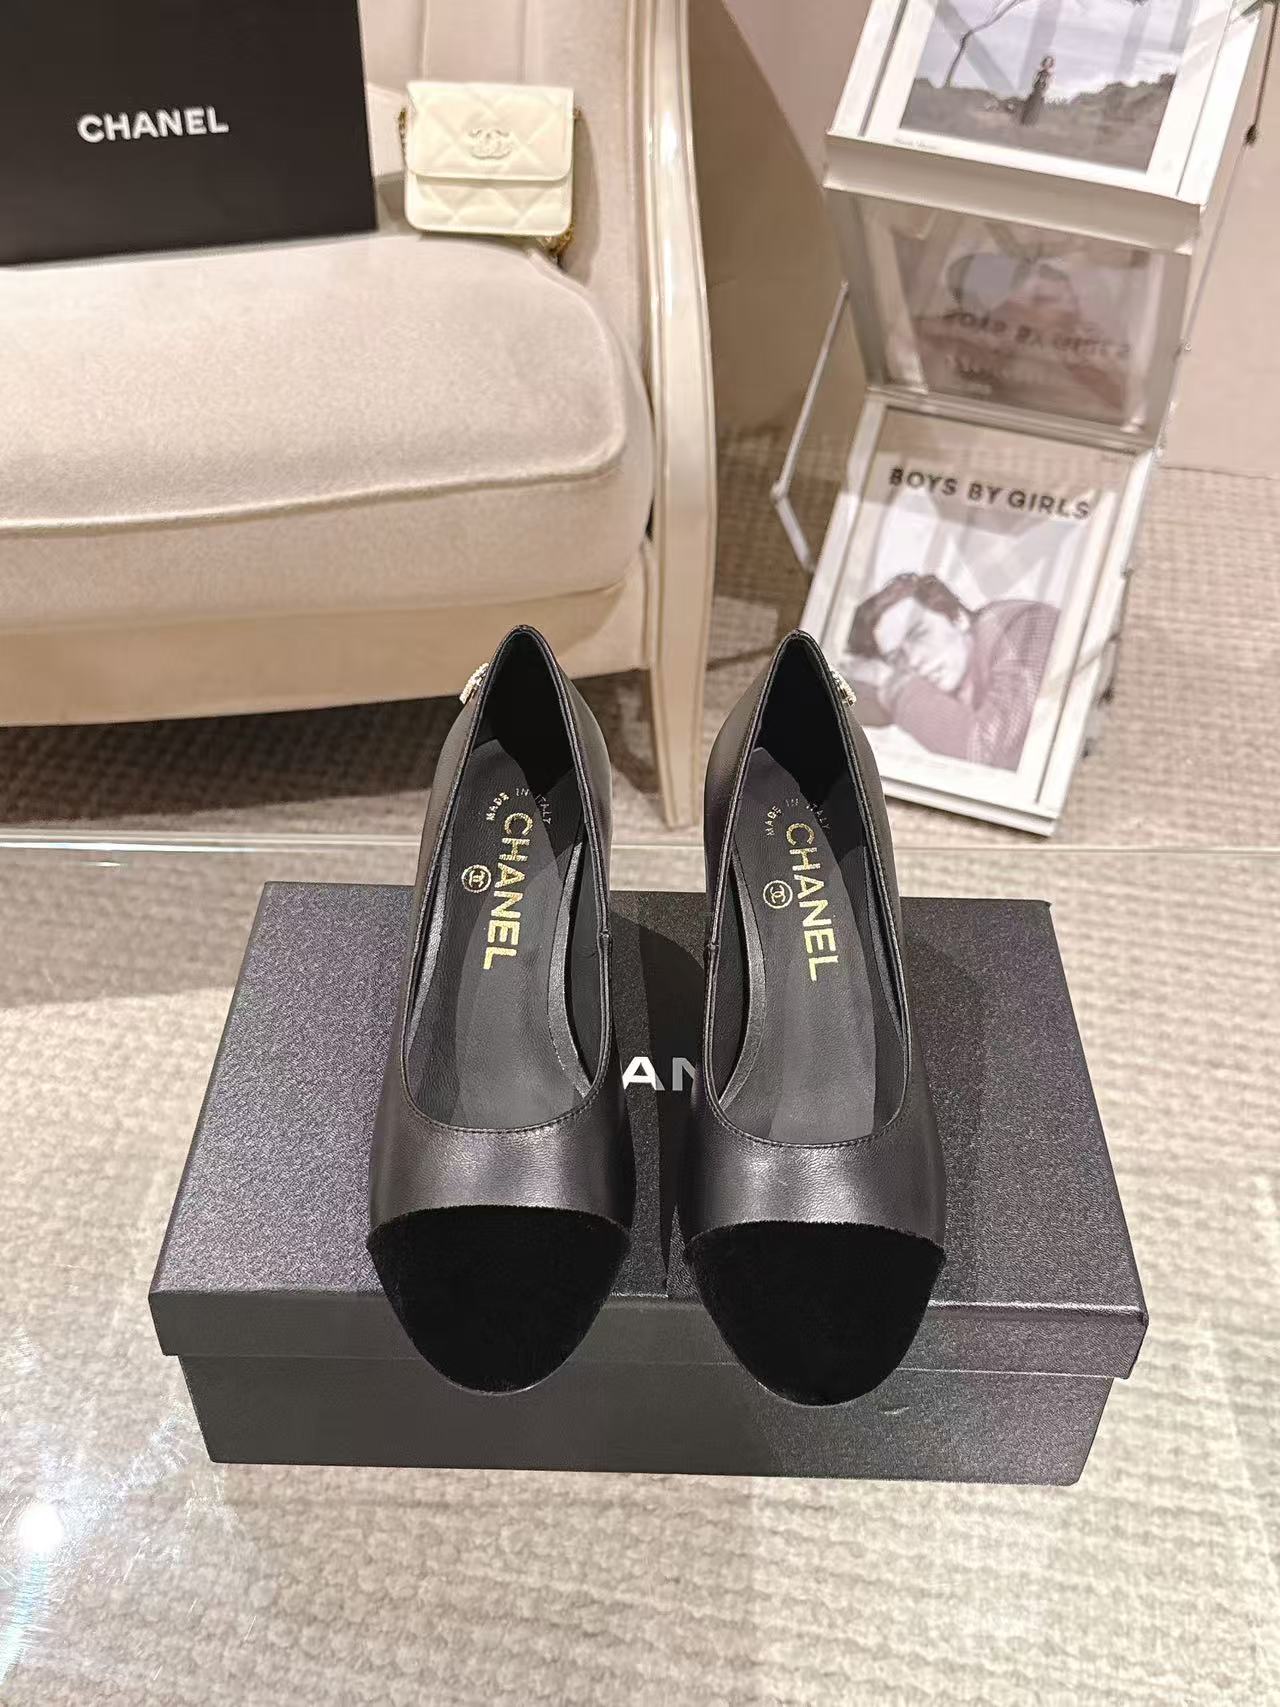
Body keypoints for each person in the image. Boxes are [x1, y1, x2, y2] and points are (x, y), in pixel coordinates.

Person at [847, 572, 1059, 772]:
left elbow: (990, 749)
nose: (913, 662)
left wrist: (895, 688)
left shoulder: (1024, 625)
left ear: (957, 617)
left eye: (918, 634)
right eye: (898, 657)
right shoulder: (958, 698)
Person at [1020, 55, 1054, 127]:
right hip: (1036, 89)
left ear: (1050, 65)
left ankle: (1032, 123)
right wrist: (1034, 87)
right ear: (1043, 63)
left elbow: (1048, 84)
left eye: (1049, 64)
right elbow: (1034, 81)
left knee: (1037, 106)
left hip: (1041, 91)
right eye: (1046, 63)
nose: (1046, 65)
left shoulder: (1049, 75)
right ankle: (1024, 122)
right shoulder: (1039, 72)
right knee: (1029, 104)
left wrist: (1044, 91)